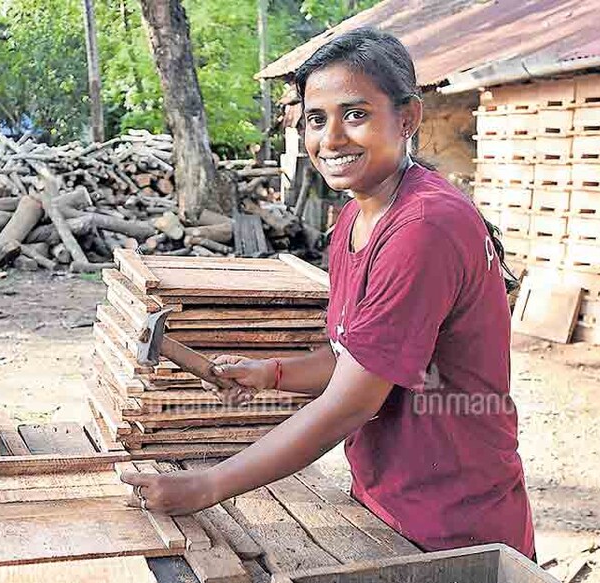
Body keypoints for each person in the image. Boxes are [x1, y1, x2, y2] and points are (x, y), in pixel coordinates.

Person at [121, 28, 535, 559]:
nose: (331, 138)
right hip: (389, 501)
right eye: (316, 119)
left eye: (355, 114)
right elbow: (358, 358)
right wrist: (271, 373)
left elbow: (350, 403)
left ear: (408, 117)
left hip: (455, 521)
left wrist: (208, 485)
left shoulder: (424, 227)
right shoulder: (354, 220)